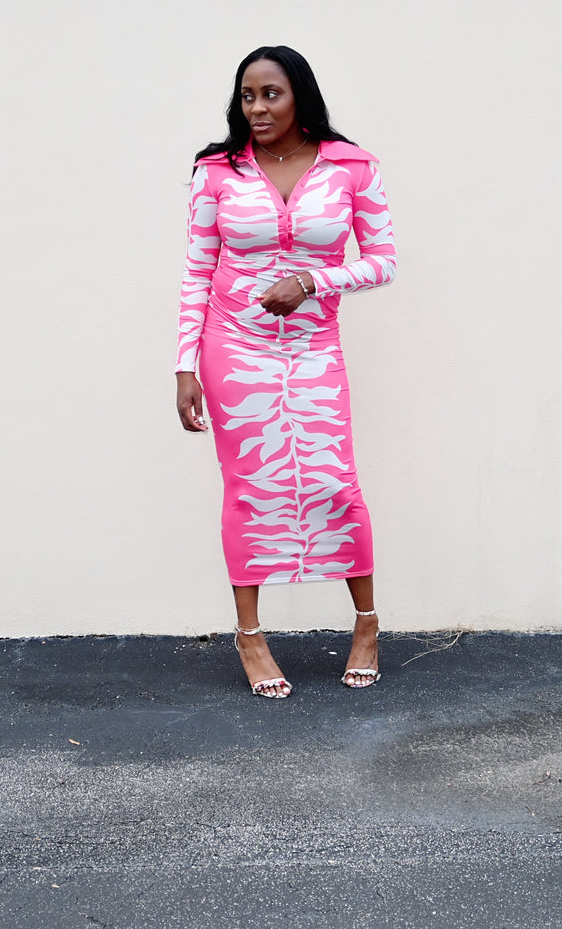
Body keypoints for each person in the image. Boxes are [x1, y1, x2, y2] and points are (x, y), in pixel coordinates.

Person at [175, 45, 397, 698]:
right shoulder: (216, 171)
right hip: (232, 347)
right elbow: (197, 271)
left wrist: (312, 280)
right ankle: (250, 635)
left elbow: (383, 260)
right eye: (247, 96)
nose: (257, 107)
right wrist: (184, 365)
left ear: (300, 95)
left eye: (270, 94)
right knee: (247, 487)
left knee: (334, 482)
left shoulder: (351, 166)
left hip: (312, 347)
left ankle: (366, 624)